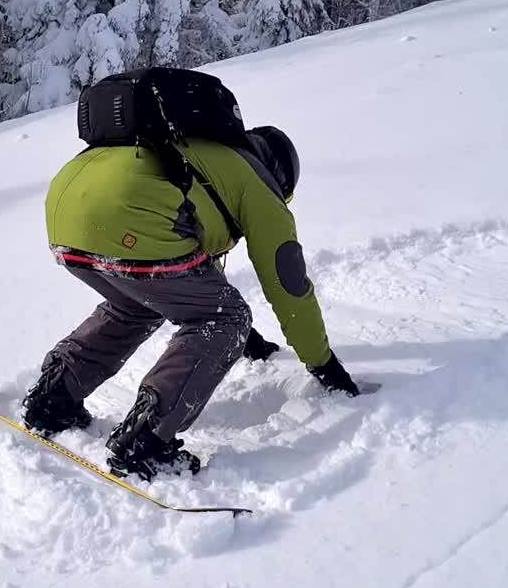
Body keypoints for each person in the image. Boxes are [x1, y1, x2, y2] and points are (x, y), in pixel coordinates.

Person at [23, 125, 361, 480]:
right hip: (129, 215)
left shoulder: (202, 152)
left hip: (65, 209)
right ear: (281, 176)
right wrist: (323, 363)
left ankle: (53, 397)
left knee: (139, 302)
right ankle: (147, 440)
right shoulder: (257, 183)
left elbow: (196, 280)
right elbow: (286, 282)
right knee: (226, 319)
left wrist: (249, 340)